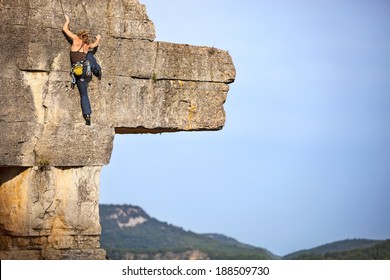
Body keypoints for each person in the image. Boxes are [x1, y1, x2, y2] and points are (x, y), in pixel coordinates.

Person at [62, 15, 102, 126]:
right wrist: (98, 38)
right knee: (89, 55)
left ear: (79, 35)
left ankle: (87, 115)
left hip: (78, 71)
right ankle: (97, 69)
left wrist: (67, 21)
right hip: (86, 69)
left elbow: (65, 29)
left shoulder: (75, 40)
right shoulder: (86, 46)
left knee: (84, 94)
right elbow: (94, 45)